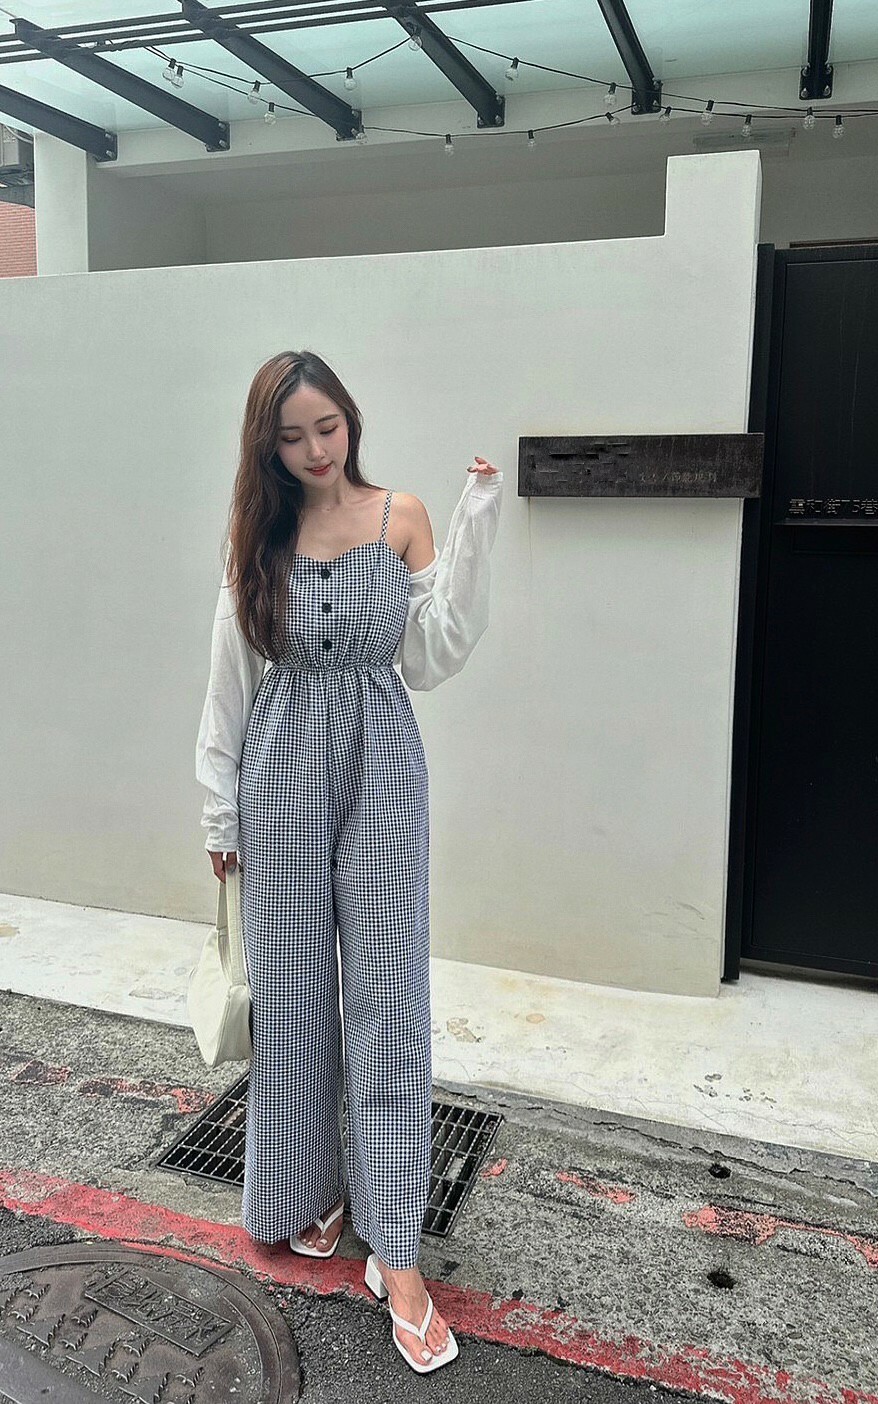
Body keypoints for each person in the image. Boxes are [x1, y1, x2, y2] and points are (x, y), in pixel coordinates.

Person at [194, 349, 503, 1373]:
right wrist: (218, 816)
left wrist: (474, 529)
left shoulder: (397, 516)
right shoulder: (260, 536)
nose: (315, 449)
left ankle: (397, 1252)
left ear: (350, 421)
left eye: (327, 426)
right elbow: (230, 677)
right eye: (292, 436)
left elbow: (432, 654)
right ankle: (310, 1188)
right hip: (276, 770)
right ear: (268, 447)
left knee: (387, 995)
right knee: (289, 995)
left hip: (382, 767)